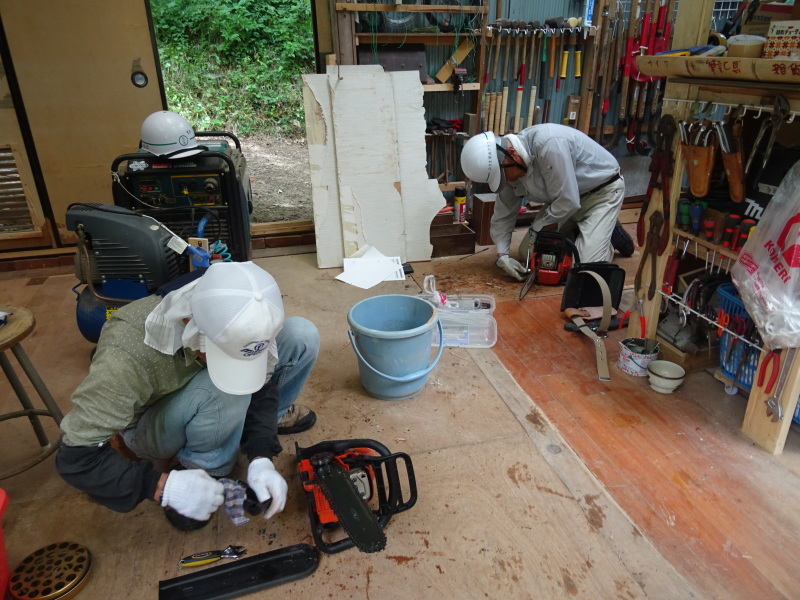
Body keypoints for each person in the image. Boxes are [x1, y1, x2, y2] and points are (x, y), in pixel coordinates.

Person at [55, 261, 320, 531]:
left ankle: (248, 428)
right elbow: (76, 458)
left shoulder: (243, 302)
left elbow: (260, 387)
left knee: (301, 334)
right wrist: (164, 486)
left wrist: (261, 455)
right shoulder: (125, 353)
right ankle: (201, 472)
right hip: (150, 425)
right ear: (187, 322)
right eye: (225, 355)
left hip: (204, 396)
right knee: (220, 389)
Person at [460, 124, 634, 281]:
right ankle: (583, 230)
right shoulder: (506, 167)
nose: (506, 181)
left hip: (601, 194)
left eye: (504, 175)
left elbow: (569, 200)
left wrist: (538, 228)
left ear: (511, 153)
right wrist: (502, 256)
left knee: (584, 267)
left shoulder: (549, 145)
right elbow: (503, 214)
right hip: (563, 202)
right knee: (527, 253)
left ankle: (608, 235)